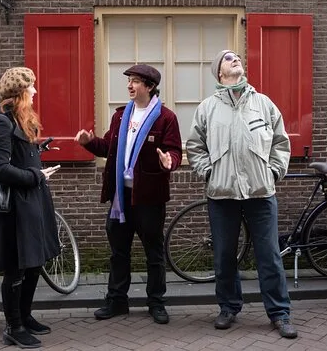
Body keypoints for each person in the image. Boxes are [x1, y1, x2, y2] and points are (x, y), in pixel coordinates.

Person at [186, 49, 296, 339]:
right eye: (227, 58)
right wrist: (208, 172)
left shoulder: (263, 104)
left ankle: (279, 313)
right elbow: (195, 146)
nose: (235, 59)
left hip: (260, 192)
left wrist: (274, 172)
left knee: (269, 256)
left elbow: (281, 142)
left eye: (236, 57)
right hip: (222, 194)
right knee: (224, 255)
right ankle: (228, 307)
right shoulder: (207, 108)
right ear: (219, 72)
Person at [75, 64, 182, 325]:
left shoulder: (165, 117)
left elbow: (174, 151)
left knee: (154, 253)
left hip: (149, 198)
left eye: (135, 81)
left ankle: (156, 302)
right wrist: (89, 143)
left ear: (150, 86)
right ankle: (117, 301)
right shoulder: (121, 116)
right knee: (118, 252)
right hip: (121, 198)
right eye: (129, 80)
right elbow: (108, 147)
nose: (129, 85)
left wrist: (169, 160)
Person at [0, 67, 61, 349]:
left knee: (34, 263)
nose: (35, 91)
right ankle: (13, 327)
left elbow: (19, 156)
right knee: (16, 268)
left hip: (33, 201)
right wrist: (35, 175)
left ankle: (25, 316)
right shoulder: (1, 123)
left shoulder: (23, 120)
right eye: (31, 87)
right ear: (19, 92)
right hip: (15, 208)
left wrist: (38, 155)